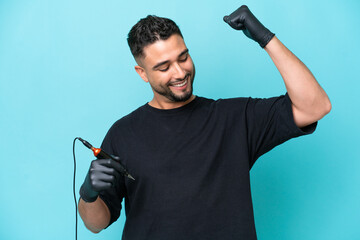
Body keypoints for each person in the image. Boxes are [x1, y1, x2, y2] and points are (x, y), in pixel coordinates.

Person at [78, 5, 331, 240]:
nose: (179, 72)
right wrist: (88, 194)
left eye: (183, 57)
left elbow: (316, 106)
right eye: (164, 67)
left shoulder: (234, 118)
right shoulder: (123, 133)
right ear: (142, 73)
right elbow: (96, 224)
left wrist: (265, 38)